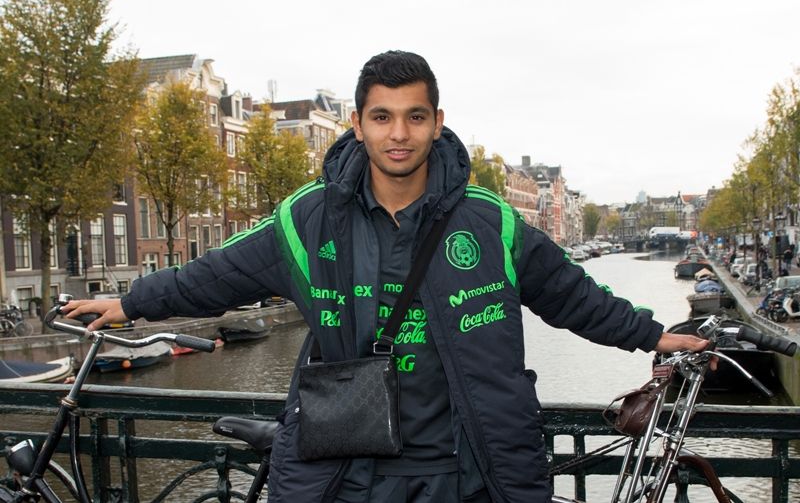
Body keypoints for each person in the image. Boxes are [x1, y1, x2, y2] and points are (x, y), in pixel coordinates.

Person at [65, 51, 710, 503]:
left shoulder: (489, 222)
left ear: (436, 121)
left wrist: (651, 335)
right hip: (350, 476)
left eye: (414, 116)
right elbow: (214, 275)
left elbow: (568, 292)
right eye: (382, 117)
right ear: (358, 123)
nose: (398, 134)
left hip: (467, 472)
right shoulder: (307, 220)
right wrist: (130, 302)